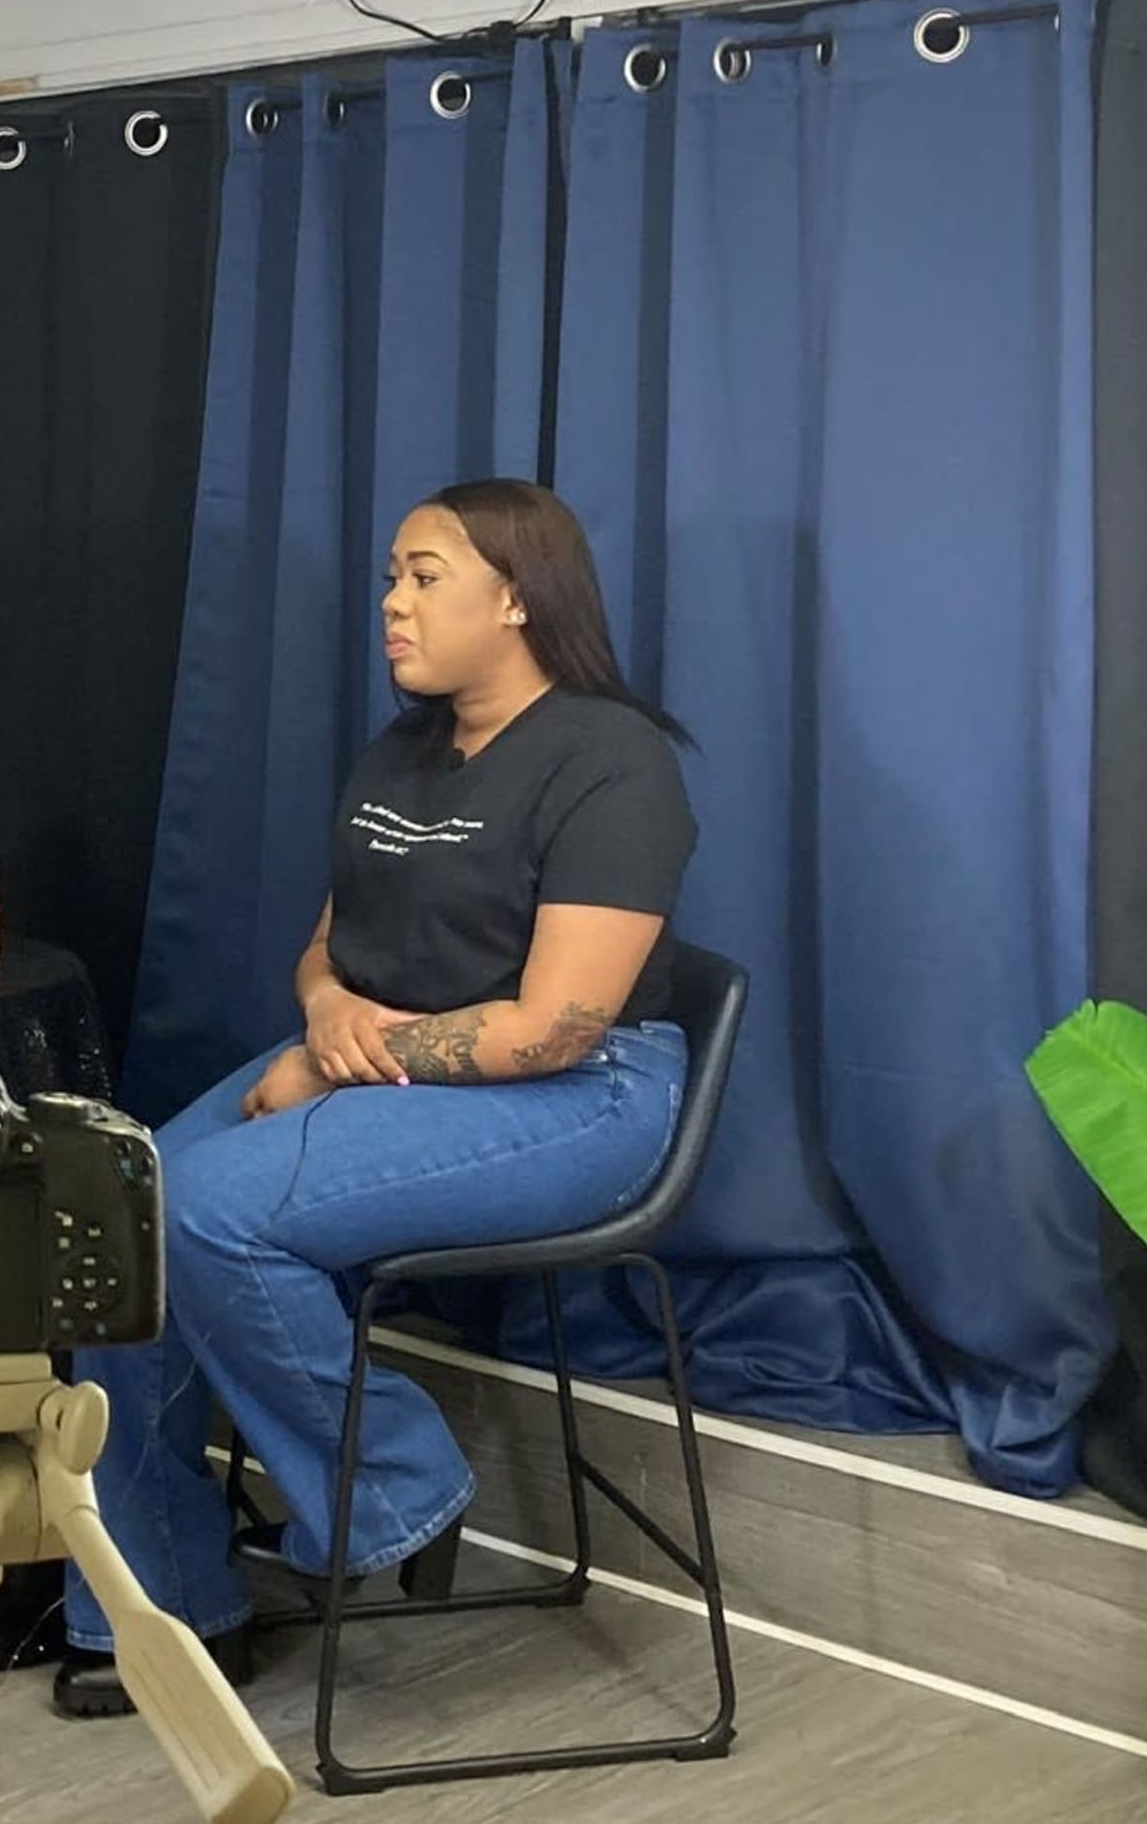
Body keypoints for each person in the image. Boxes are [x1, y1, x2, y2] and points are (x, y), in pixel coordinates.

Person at [55, 481, 698, 1719]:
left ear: (515, 597)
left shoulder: (613, 761)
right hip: (384, 1055)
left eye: (422, 576)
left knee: (205, 1207)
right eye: (391, 579)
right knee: (117, 1207)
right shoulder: (404, 746)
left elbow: (552, 1027)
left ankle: (395, 1486)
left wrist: (333, 1060)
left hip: (581, 1100)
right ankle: (169, 1603)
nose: (392, 606)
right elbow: (329, 946)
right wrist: (326, 1014)